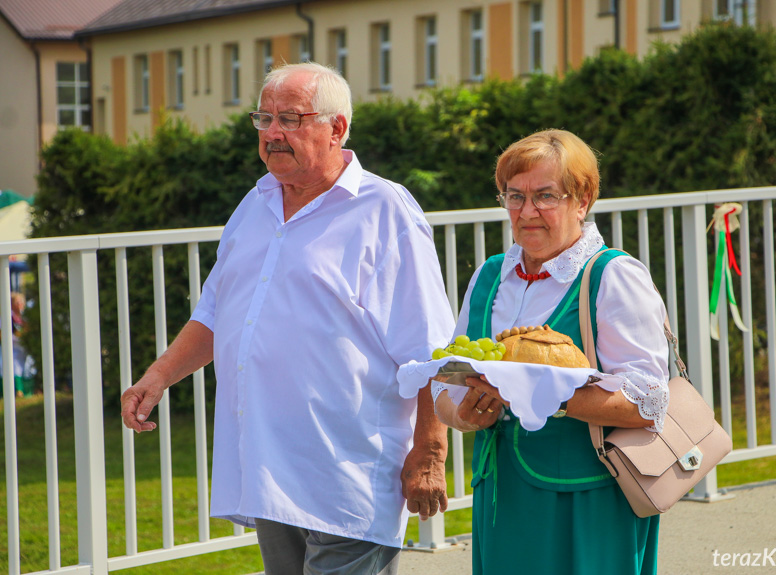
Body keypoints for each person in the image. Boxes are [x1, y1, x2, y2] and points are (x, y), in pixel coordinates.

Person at [121, 62, 454, 574]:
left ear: (336, 128)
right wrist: (159, 375)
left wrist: (430, 451)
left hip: (347, 472)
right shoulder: (254, 204)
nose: (273, 133)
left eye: (291, 119)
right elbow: (217, 312)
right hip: (270, 471)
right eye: (265, 118)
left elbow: (429, 344)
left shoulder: (385, 210)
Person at [433, 130, 669, 574]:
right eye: (514, 196)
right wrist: (464, 416)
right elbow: (444, 387)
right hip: (501, 495)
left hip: (589, 496)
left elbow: (648, 402)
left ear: (583, 199)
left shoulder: (611, 277)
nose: (527, 212)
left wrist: (540, 394)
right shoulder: (489, 278)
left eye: (545, 196)